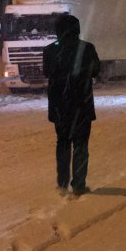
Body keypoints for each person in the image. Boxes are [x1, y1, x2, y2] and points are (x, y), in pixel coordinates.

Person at [43, 15, 100, 196]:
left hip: (60, 106)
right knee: (81, 145)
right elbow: (96, 70)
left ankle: (62, 182)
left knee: (63, 144)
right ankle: (79, 184)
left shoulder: (50, 51)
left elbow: (46, 72)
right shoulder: (87, 48)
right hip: (81, 105)